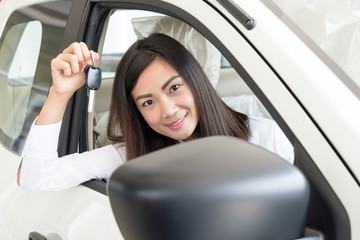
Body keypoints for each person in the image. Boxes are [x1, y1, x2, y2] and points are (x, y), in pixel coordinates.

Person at [17, 33, 294, 191]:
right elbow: (36, 178)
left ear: (196, 81)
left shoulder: (265, 137)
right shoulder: (133, 155)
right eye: (148, 102)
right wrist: (60, 93)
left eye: (174, 88)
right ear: (136, 111)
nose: (169, 110)